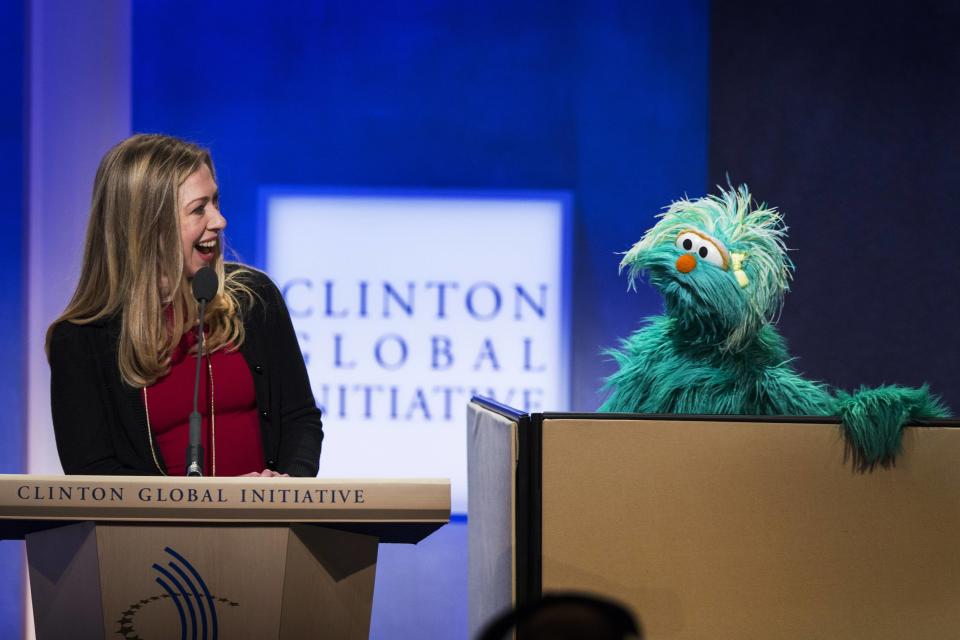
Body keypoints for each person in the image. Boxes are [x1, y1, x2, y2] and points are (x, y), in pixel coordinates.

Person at [46, 134, 323, 477]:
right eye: (198, 209)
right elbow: (93, 473)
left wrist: (286, 488)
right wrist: (202, 504)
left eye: (216, 202)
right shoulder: (81, 340)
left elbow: (300, 419)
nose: (219, 221)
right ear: (149, 226)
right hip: (153, 532)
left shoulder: (255, 298)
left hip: (266, 527)